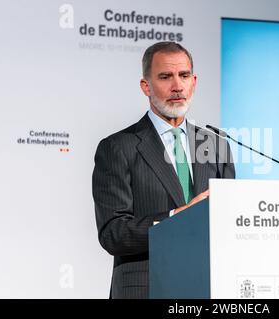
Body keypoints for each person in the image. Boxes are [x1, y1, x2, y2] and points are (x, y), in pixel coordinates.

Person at [92, 41, 235, 299]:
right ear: (146, 86)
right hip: (146, 289)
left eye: (184, 75)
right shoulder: (118, 147)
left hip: (206, 288)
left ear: (194, 82)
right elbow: (113, 233)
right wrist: (176, 217)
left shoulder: (215, 144)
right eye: (165, 77)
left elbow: (230, 223)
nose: (177, 86)